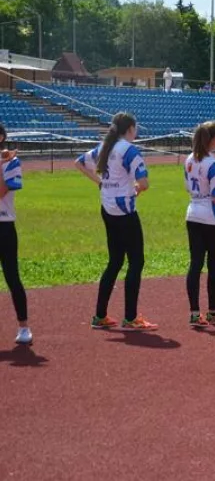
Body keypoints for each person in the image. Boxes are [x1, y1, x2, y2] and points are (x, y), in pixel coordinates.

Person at [75, 113, 157, 331]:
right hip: (125, 211)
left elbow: (79, 163)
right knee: (136, 262)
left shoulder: (105, 146)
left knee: (115, 262)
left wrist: (101, 183)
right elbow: (144, 182)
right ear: (130, 128)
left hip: (107, 207)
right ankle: (130, 317)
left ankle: (99, 315)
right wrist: (138, 188)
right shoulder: (129, 150)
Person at [184, 122, 215, 328]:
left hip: (193, 213)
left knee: (195, 264)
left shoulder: (189, 160)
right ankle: (212, 311)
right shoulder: (214, 165)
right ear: (213, 139)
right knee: (213, 265)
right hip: (212, 218)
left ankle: (195, 312)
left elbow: (189, 186)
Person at [0, 125, 31, 345]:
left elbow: (2, 192)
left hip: (4, 226)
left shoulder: (12, 162)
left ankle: (24, 327)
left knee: (12, 277)